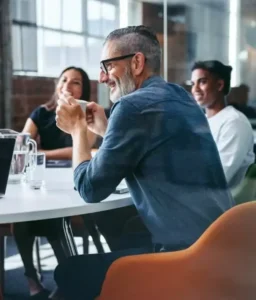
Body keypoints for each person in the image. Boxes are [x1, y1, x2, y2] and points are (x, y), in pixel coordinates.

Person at [54, 25, 234, 300]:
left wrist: (78, 129)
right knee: (117, 222)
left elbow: (90, 189)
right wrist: (107, 129)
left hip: (186, 259)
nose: (101, 77)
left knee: (68, 272)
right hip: (222, 249)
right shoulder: (181, 96)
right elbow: (154, 149)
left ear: (136, 62)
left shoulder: (131, 107)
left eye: (107, 65)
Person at [12, 66, 95, 300]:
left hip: (73, 185)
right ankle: (31, 278)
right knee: (23, 218)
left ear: (84, 89)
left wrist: (42, 153)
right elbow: (22, 145)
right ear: (57, 85)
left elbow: (81, 150)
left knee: (54, 217)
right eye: (64, 80)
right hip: (42, 183)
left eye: (76, 82)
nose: (67, 85)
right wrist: (32, 148)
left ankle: (67, 280)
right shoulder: (42, 113)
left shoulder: (87, 114)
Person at [191, 60, 255, 189]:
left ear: (220, 85)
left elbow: (218, 176)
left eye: (202, 82)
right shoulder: (201, 121)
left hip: (221, 202)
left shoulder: (234, 122)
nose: (195, 89)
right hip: (198, 194)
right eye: (193, 83)